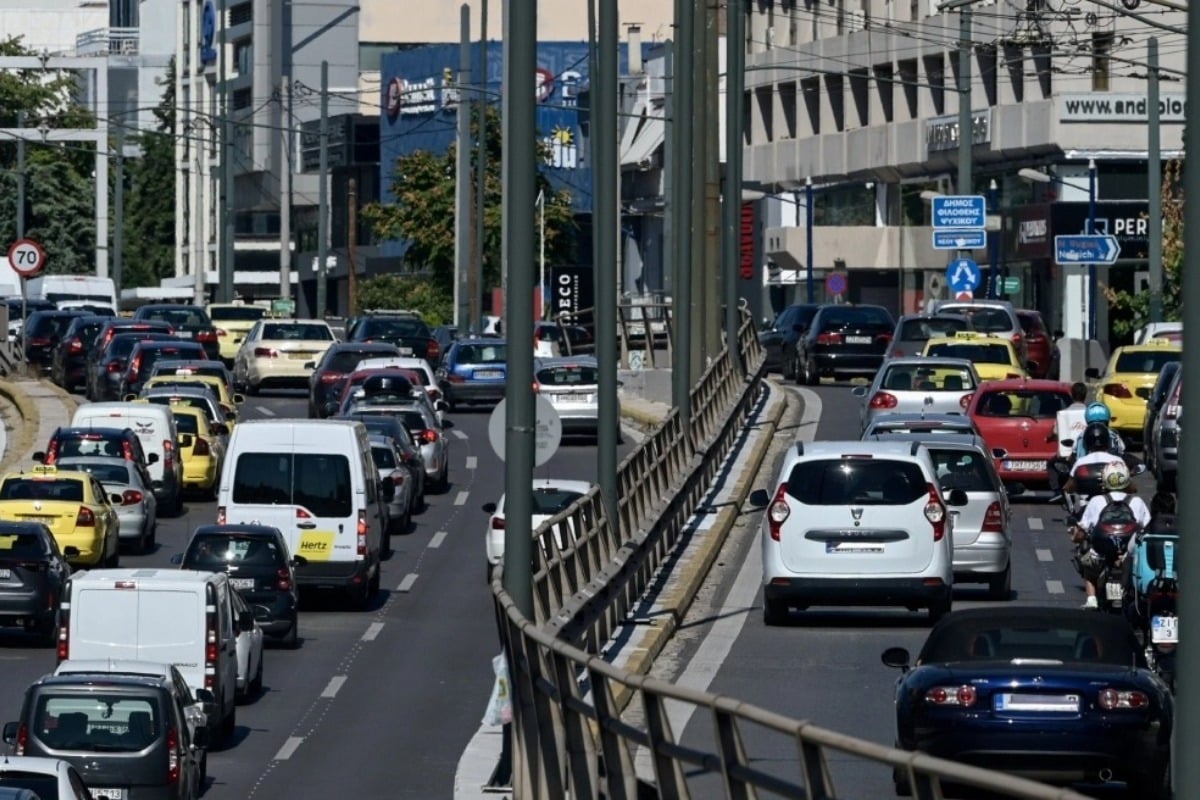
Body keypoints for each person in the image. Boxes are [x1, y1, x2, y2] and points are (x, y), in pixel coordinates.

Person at [1072, 460, 1150, 609]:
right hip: (1129, 555)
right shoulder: (1137, 501)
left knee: (1087, 566)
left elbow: (1082, 530)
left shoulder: (1096, 501)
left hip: (1101, 555)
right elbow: (1147, 528)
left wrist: (1076, 537)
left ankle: (1091, 598)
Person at [1047, 382, 1089, 495]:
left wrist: (1049, 438)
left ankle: (1057, 492)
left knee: (1050, 464)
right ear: (1085, 395)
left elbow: (1056, 433)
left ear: (1071, 395)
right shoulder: (1090, 414)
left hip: (1068, 455)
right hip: (1087, 453)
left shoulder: (1063, 414)